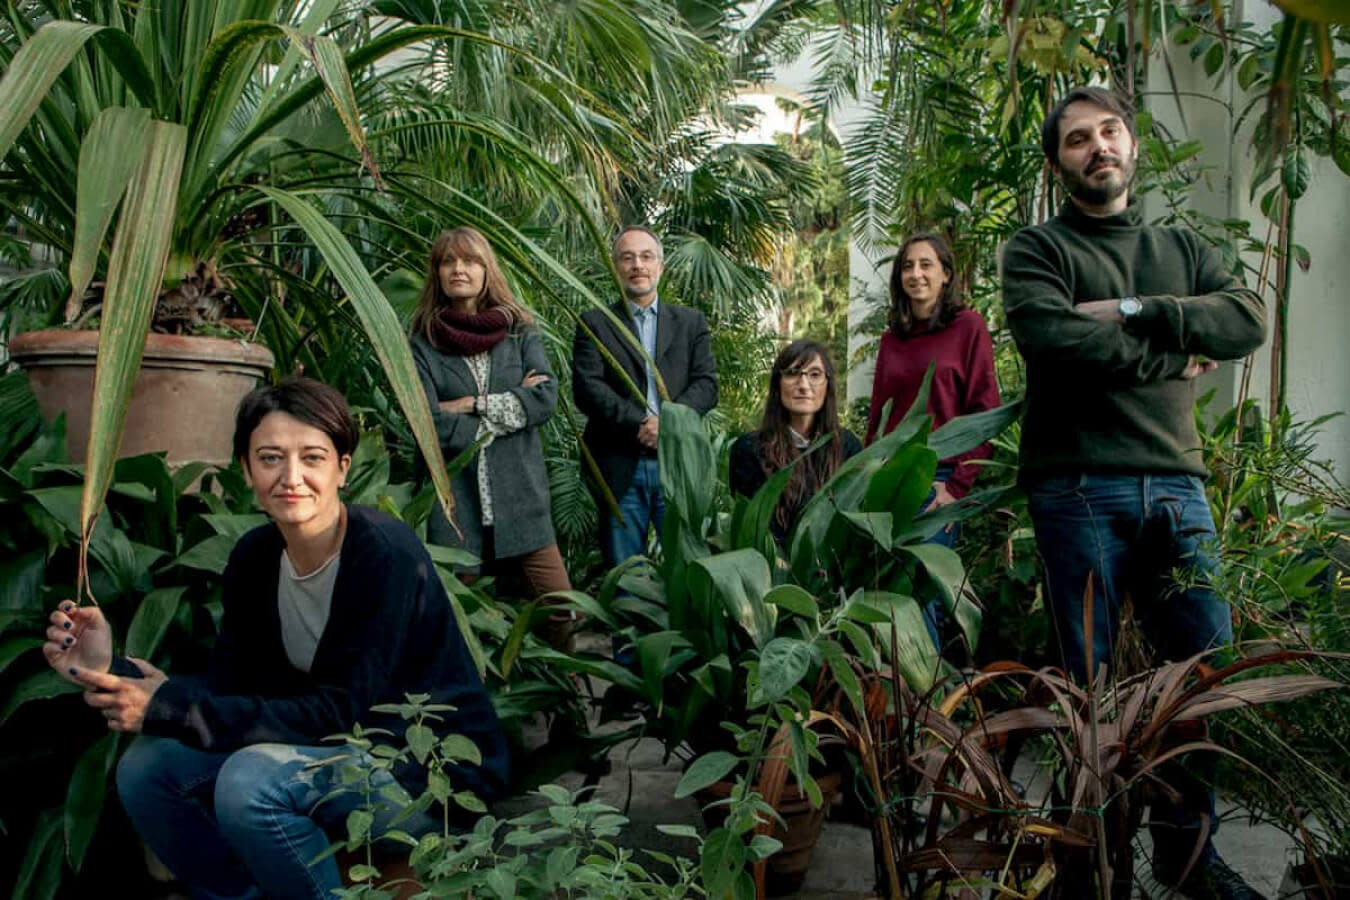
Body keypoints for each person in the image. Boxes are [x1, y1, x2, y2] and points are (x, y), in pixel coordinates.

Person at [43, 377, 510, 900]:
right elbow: (235, 682)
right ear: (246, 470)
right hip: (325, 755)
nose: (292, 477)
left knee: (249, 784)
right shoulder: (256, 556)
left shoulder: (383, 553)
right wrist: (109, 669)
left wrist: (172, 707)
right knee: (146, 771)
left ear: (343, 468)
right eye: (270, 458)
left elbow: (339, 713)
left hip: (419, 772)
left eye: (312, 457)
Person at [1002, 86, 1267, 900]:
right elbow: (1054, 340)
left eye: (1109, 132)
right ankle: (1087, 862)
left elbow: (1245, 318)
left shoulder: (1181, 248)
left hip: (1178, 489)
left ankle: (1190, 861)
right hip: (1078, 487)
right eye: (1078, 139)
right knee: (1089, 687)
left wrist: (1132, 309)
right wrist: (1170, 354)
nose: (1098, 148)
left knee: (1197, 679)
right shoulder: (1037, 249)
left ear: (1132, 147)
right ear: (1058, 163)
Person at [411, 226, 573, 648]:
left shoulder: (520, 331)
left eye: (470, 261)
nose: (459, 270)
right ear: (437, 273)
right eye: (448, 261)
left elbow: (544, 400)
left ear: (487, 270)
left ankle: (564, 702)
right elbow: (428, 424)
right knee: (460, 622)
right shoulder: (421, 345)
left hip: (522, 500)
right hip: (456, 508)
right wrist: (509, 405)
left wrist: (471, 404)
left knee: (559, 609)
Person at [866, 232, 1001, 646]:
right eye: (907, 266)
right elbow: (880, 414)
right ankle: (894, 697)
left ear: (946, 274)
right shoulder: (893, 338)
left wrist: (957, 484)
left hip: (937, 477)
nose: (916, 274)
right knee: (886, 591)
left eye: (926, 265)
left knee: (922, 589)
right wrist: (864, 475)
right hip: (889, 478)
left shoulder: (969, 327)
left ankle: (927, 698)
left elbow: (986, 409)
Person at [571, 225, 718, 569]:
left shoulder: (690, 322)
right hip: (620, 461)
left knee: (687, 569)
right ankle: (628, 624)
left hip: (678, 461)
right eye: (628, 257)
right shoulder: (596, 323)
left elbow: (707, 384)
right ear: (616, 267)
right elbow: (588, 390)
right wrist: (640, 422)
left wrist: (667, 422)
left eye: (646, 256)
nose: (638, 264)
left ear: (660, 266)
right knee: (625, 574)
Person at [729, 340, 862, 548]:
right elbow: (752, 528)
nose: (803, 385)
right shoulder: (749, 449)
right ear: (777, 384)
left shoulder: (848, 447)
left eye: (815, 375)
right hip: (772, 571)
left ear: (828, 385)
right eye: (792, 373)